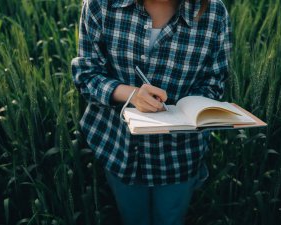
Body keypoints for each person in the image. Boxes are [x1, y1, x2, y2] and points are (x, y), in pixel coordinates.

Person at [71, 0, 232, 224]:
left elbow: (214, 83)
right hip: (118, 147)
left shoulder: (213, 13)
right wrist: (131, 94)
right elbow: (86, 73)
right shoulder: (101, 5)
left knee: (170, 218)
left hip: (179, 154)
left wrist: (185, 109)